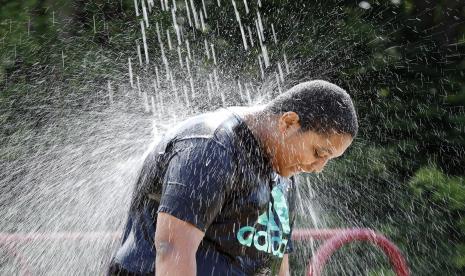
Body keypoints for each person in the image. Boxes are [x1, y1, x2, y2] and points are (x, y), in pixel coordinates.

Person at [108, 80, 358, 276]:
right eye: (318, 153)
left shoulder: (285, 166)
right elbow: (172, 250)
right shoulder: (210, 149)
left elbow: (276, 257)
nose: (318, 167)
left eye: (328, 159)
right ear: (289, 122)